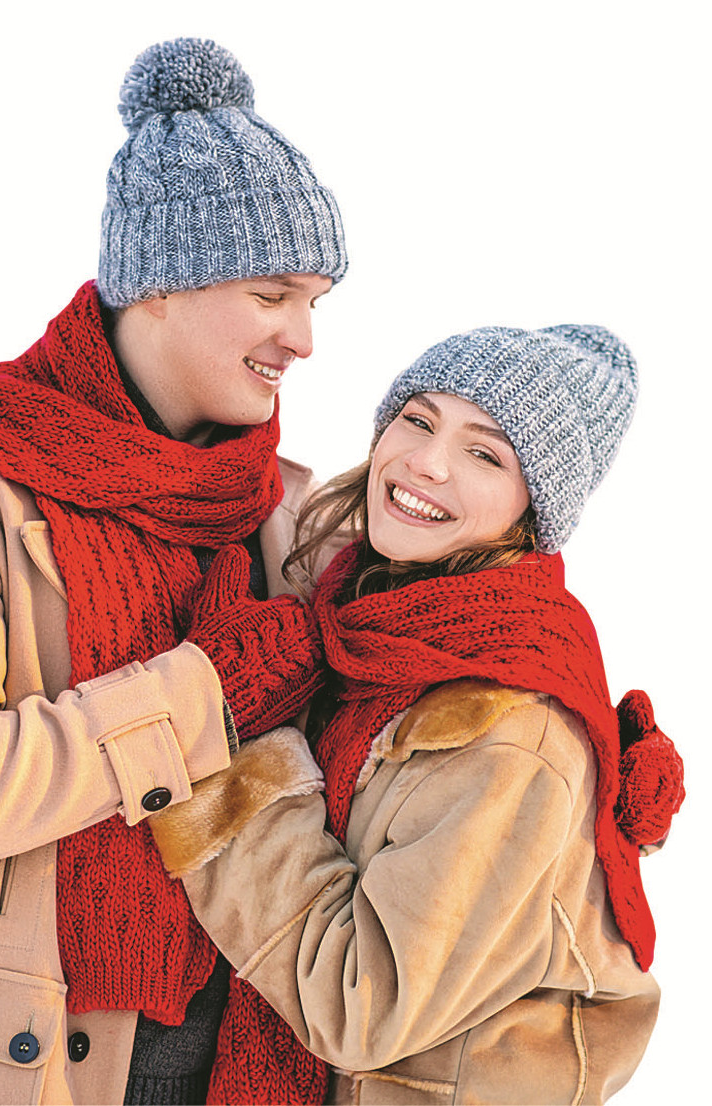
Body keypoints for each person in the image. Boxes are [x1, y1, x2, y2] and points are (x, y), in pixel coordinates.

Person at [0, 37, 347, 1106]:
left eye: (315, 301)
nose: (302, 337)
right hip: (19, 1057)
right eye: (272, 294)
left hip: (251, 1056)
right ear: (156, 286)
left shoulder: (284, 511)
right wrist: (207, 693)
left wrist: (558, 730)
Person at [149, 324, 686, 1104]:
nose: (426, 462)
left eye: (484, 454)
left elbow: (363, 1005)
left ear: (532, 510)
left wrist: (232, 743)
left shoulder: (509, 732)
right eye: (418, 419)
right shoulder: (360, 618)